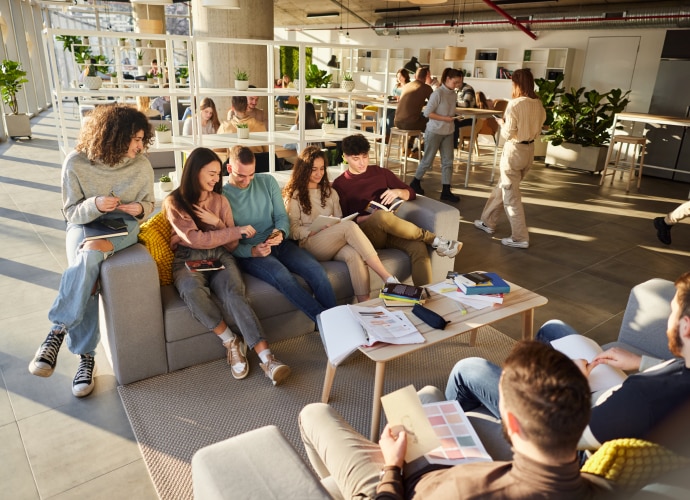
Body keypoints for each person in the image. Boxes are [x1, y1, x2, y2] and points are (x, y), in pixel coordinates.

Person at [299, 340, 606, 499]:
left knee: (313, 413)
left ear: (511, 425)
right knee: (430, 394)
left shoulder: (468, 492)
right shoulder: (605, 488)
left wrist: (392, 466)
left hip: (397, 489)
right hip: (450, 471)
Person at [445, 271, 690, 454]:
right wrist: (640, 361)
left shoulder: (640, 399)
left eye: (672, 313)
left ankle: (449, 443)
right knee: (553, 328)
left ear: (686, 327)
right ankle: (537, 371)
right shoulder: (681, 371)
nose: (669, 320)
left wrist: (573, 385)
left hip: (578, 412)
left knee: (467, 369)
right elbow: (676, 374)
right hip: (608, 392)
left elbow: (559, 438)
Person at [28, 105, 155, 397]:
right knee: (88, 259)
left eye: (141, 139)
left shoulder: (142, 165)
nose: (139, 145)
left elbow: (149, 205)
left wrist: (139, 209)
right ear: (113, 135)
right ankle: (85, 358)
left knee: (88, 256)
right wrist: (95, 205)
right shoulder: (76, 163)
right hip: (84, 225)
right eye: (134, 139)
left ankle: (58, 332)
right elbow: (71, 212)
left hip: (123, 228)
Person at [163, 147, 290, 385]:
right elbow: (195, 239)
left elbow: (231, 244)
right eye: (210, 173)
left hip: (220, 256)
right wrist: (233, 230)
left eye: (217, 173)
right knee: (192, 291)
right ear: (194, 171)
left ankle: (268, 359)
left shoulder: (220, 201)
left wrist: (218, 222)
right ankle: (230, 340)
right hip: (189, 258)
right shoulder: (175, 201)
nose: (215, 178)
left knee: (234, 294)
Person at [222, 145, 337, 324]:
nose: (247, 181)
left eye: (251, 174)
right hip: (253, 253)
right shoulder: (222, 197)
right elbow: (227, 242)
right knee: (284, 278)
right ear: (229, 169)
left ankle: (337, 324)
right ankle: (331, 325)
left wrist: (280, 232)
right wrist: (252, 251)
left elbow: (282, 217)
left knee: (317, 272)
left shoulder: (267, 182)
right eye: (241, 175)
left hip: (280, 243)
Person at [332, 134, 461, 287]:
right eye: (356, 158)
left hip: (389, 230)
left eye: (365, 157)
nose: (362, 163)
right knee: (381, 216)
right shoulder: (340, 184)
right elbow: (345, 220)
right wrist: (370, 218)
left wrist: (398, 192)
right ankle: (436, 240)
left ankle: (426, 295)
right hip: (365, 235)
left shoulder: (380, 173)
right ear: (345, 157)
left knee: (418, 247)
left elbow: (411, 193)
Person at [283, 146, 398, 303]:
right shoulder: (294, 195)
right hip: (309, 243)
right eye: (314, 169)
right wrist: (313, 230)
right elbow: (291, 230)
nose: (319, 173)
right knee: (349, 227)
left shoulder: (330, 192)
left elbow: (339, 219)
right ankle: (387, 278)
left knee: (354, 254)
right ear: (304, 170)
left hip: (333, 241)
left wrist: (332, 225)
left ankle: (365, 306)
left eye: (322, 169)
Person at [473, 68, 546, 249]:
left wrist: (502, 123)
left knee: (510, 195)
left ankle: (520, 237)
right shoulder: (538, 103)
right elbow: (539, 127)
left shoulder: (515, 104)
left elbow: (507, 133)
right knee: (503, 187)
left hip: (514, 151)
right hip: (529, 152)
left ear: (516, 83)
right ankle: (487, 221)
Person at [409, 68, 464, 203]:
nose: (457, 85)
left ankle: (446, 190)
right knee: (427, 160)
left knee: (448, 162)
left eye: (459, 82)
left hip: (448, 131)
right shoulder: (438, 93)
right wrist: (446, 119)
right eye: (455, 82)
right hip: (434, 131)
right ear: (447, 79)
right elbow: (427, 113)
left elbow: (448, 111)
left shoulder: (453, 94)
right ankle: (414, 183)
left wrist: (453, 117)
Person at [394, 67, 432, 133]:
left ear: (415, 76)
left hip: (397, 122)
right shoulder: (426, 88)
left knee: (417, 119)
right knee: (433, 122)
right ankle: (426, 143)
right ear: (426, 77)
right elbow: (435, 103)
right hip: (410, 124)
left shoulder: (406, 86)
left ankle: (410, 142)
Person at [385, 68, 411, 138]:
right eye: (398, 76)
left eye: (400, 76)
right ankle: (383, 135)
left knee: (390, 118)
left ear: (405, 76)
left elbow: (408, 98)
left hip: (402, 109)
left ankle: (388, 136)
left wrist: (400, 98)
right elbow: (393, 96)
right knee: (384, 115)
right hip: (393, 106)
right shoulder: (396, 86)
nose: (399, 78)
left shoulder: (408, 86)